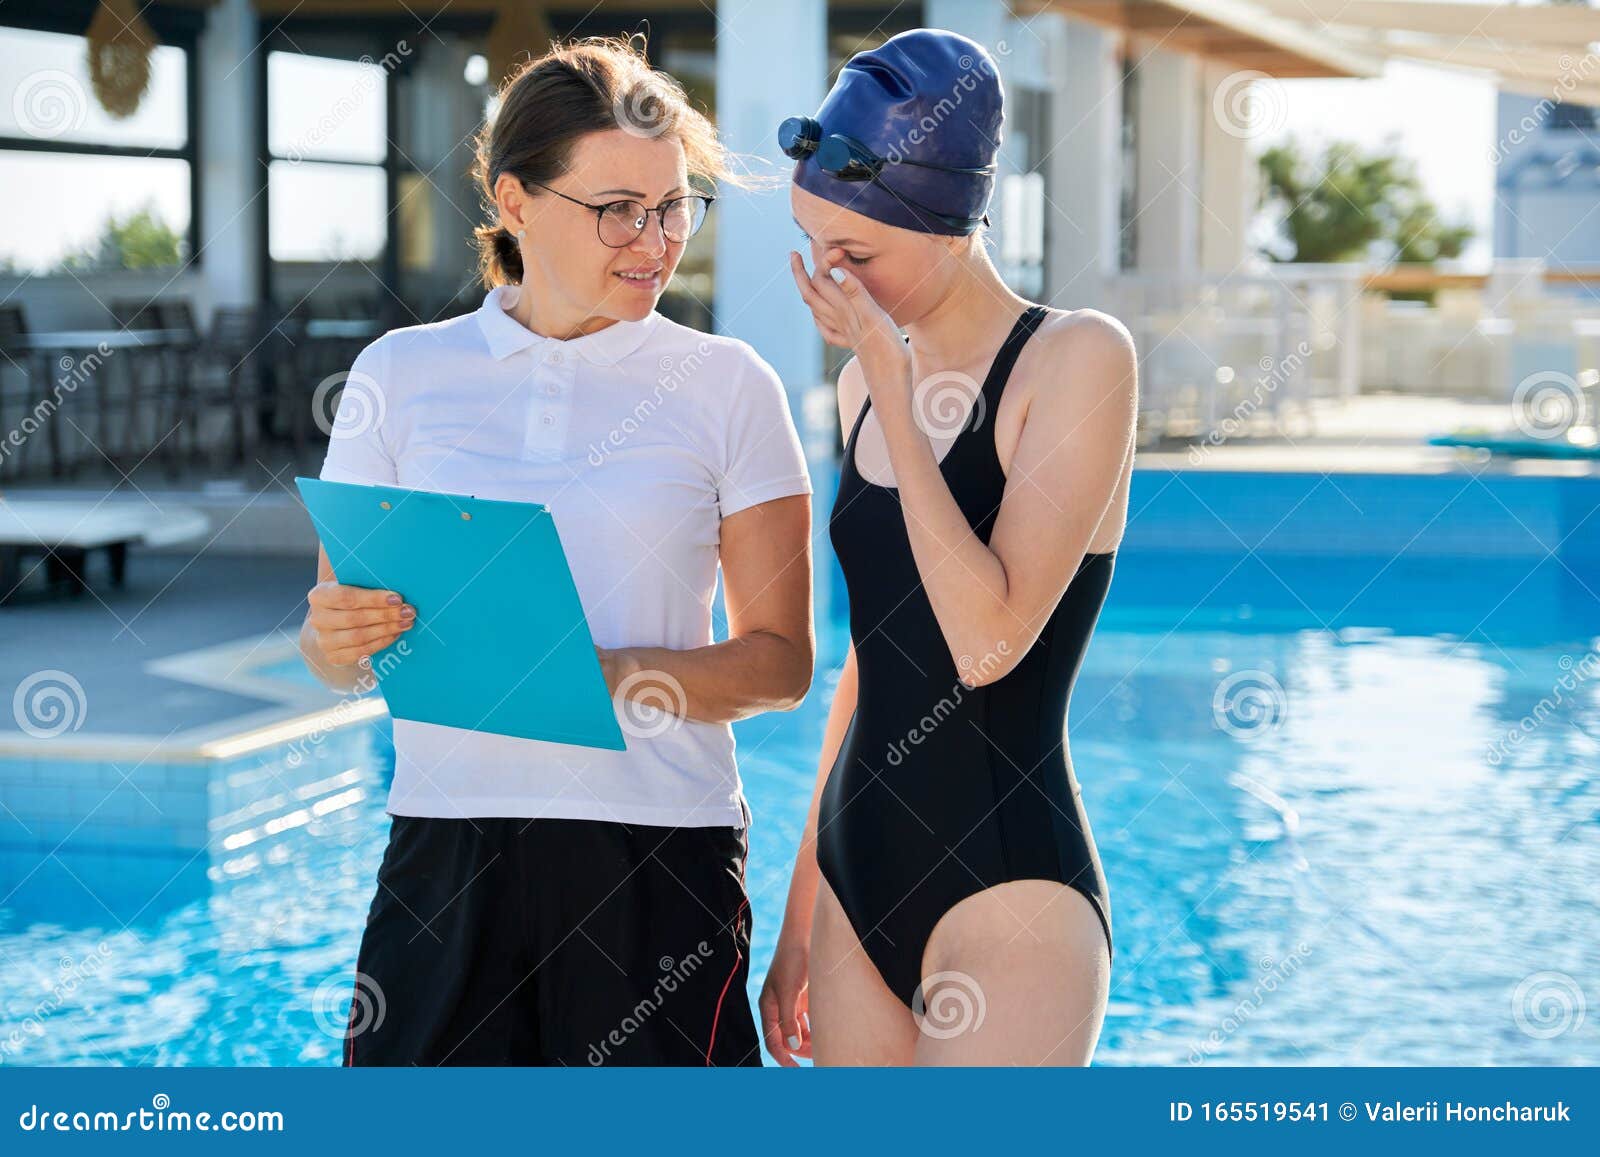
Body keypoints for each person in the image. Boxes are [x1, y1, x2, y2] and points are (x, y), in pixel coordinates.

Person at [299, 38, 814, 1066]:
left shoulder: (728, 383)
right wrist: (332, 635)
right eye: (618, 206)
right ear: (516, 201)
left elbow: (780, 662)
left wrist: (602, 675)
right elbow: (339, 646)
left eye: (673, 206)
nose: (656, 239)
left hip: (659, 851)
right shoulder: (399, 373)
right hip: (446, 846)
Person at [760, 28, 1138, 1066]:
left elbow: (985, 643)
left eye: (860, 256)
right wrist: (799, 907)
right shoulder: (854, 389)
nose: (834, 284)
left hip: (1007, 890)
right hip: (852, 872)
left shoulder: (1073, 359)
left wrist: (892, 376)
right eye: (816, 248)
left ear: (951, 222)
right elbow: (870, 664)